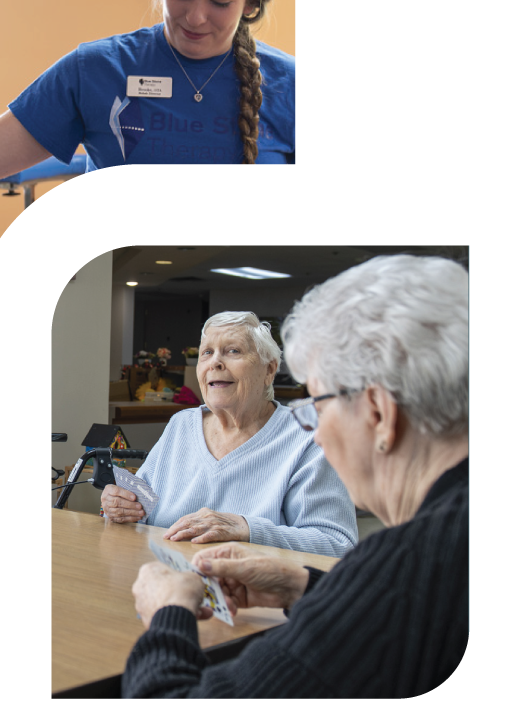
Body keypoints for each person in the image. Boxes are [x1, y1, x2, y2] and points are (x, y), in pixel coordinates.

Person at [123, 255, 468, 710]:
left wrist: (168, 612)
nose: (316, 431)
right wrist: (307, 585)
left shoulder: (411, 566)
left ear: (379, 415)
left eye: (320, 406)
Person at [0, 0, 294, 181]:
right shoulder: (95, 70)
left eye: (220, 2)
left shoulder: (294, 85)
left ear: (251, 2)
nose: (196, 16)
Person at [102, 312, 357, 557]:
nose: (216, 362)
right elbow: (140, 507)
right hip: (163, 580)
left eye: (233, 351)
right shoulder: (181, 425)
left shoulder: (307, 438)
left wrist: (247, 529)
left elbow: (337, 546)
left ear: (269, 370)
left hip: (251, 594)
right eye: (207, 353)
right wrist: (119, 505)